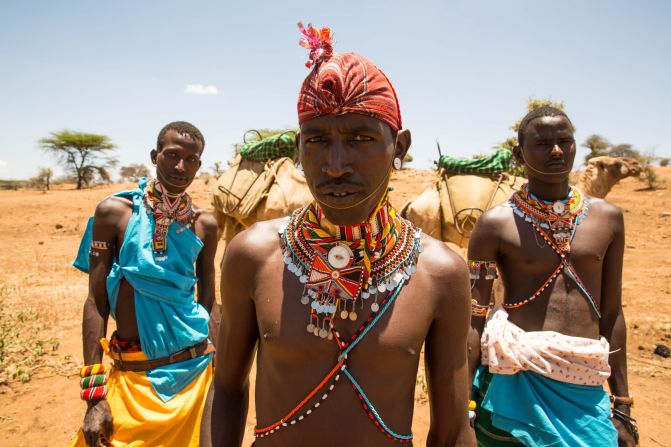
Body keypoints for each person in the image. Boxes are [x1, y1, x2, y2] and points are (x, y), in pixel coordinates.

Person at [206, 23, 474, 446]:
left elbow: (453, 430)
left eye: (360, 138)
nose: (334, 164)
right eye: (317, 141)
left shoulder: (440, 272)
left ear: (400, 147)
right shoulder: (253, 255)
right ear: (298, 148)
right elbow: (226, 389)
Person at [467, 106, 638, 446]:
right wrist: (463, 407)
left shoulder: (608, 219)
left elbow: (613, 312)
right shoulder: (495, 224)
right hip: (515, 380)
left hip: (585, 384)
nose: (557, 151)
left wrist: (622, 405)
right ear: (520, 153)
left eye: (565, 141)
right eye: (543, 143)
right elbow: (474, 319)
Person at [68, 121, 219, 447]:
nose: (181, 167)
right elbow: (96, 303)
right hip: (133, 377)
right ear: (154, 155)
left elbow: (209, 301)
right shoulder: (113, 215)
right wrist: (94, 397)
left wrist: (220, 374)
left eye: (191, 160)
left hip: (196, 377)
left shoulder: (205, 224)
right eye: (172, 155)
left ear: (199, 165)